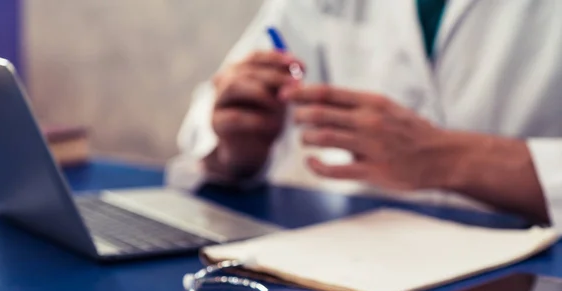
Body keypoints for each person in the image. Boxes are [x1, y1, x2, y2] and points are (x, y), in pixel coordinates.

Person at [166, 0, 562, 231]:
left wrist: (448, 159)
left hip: (533, 269)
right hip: (351, 255)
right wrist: (240, 140)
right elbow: (219, 106)